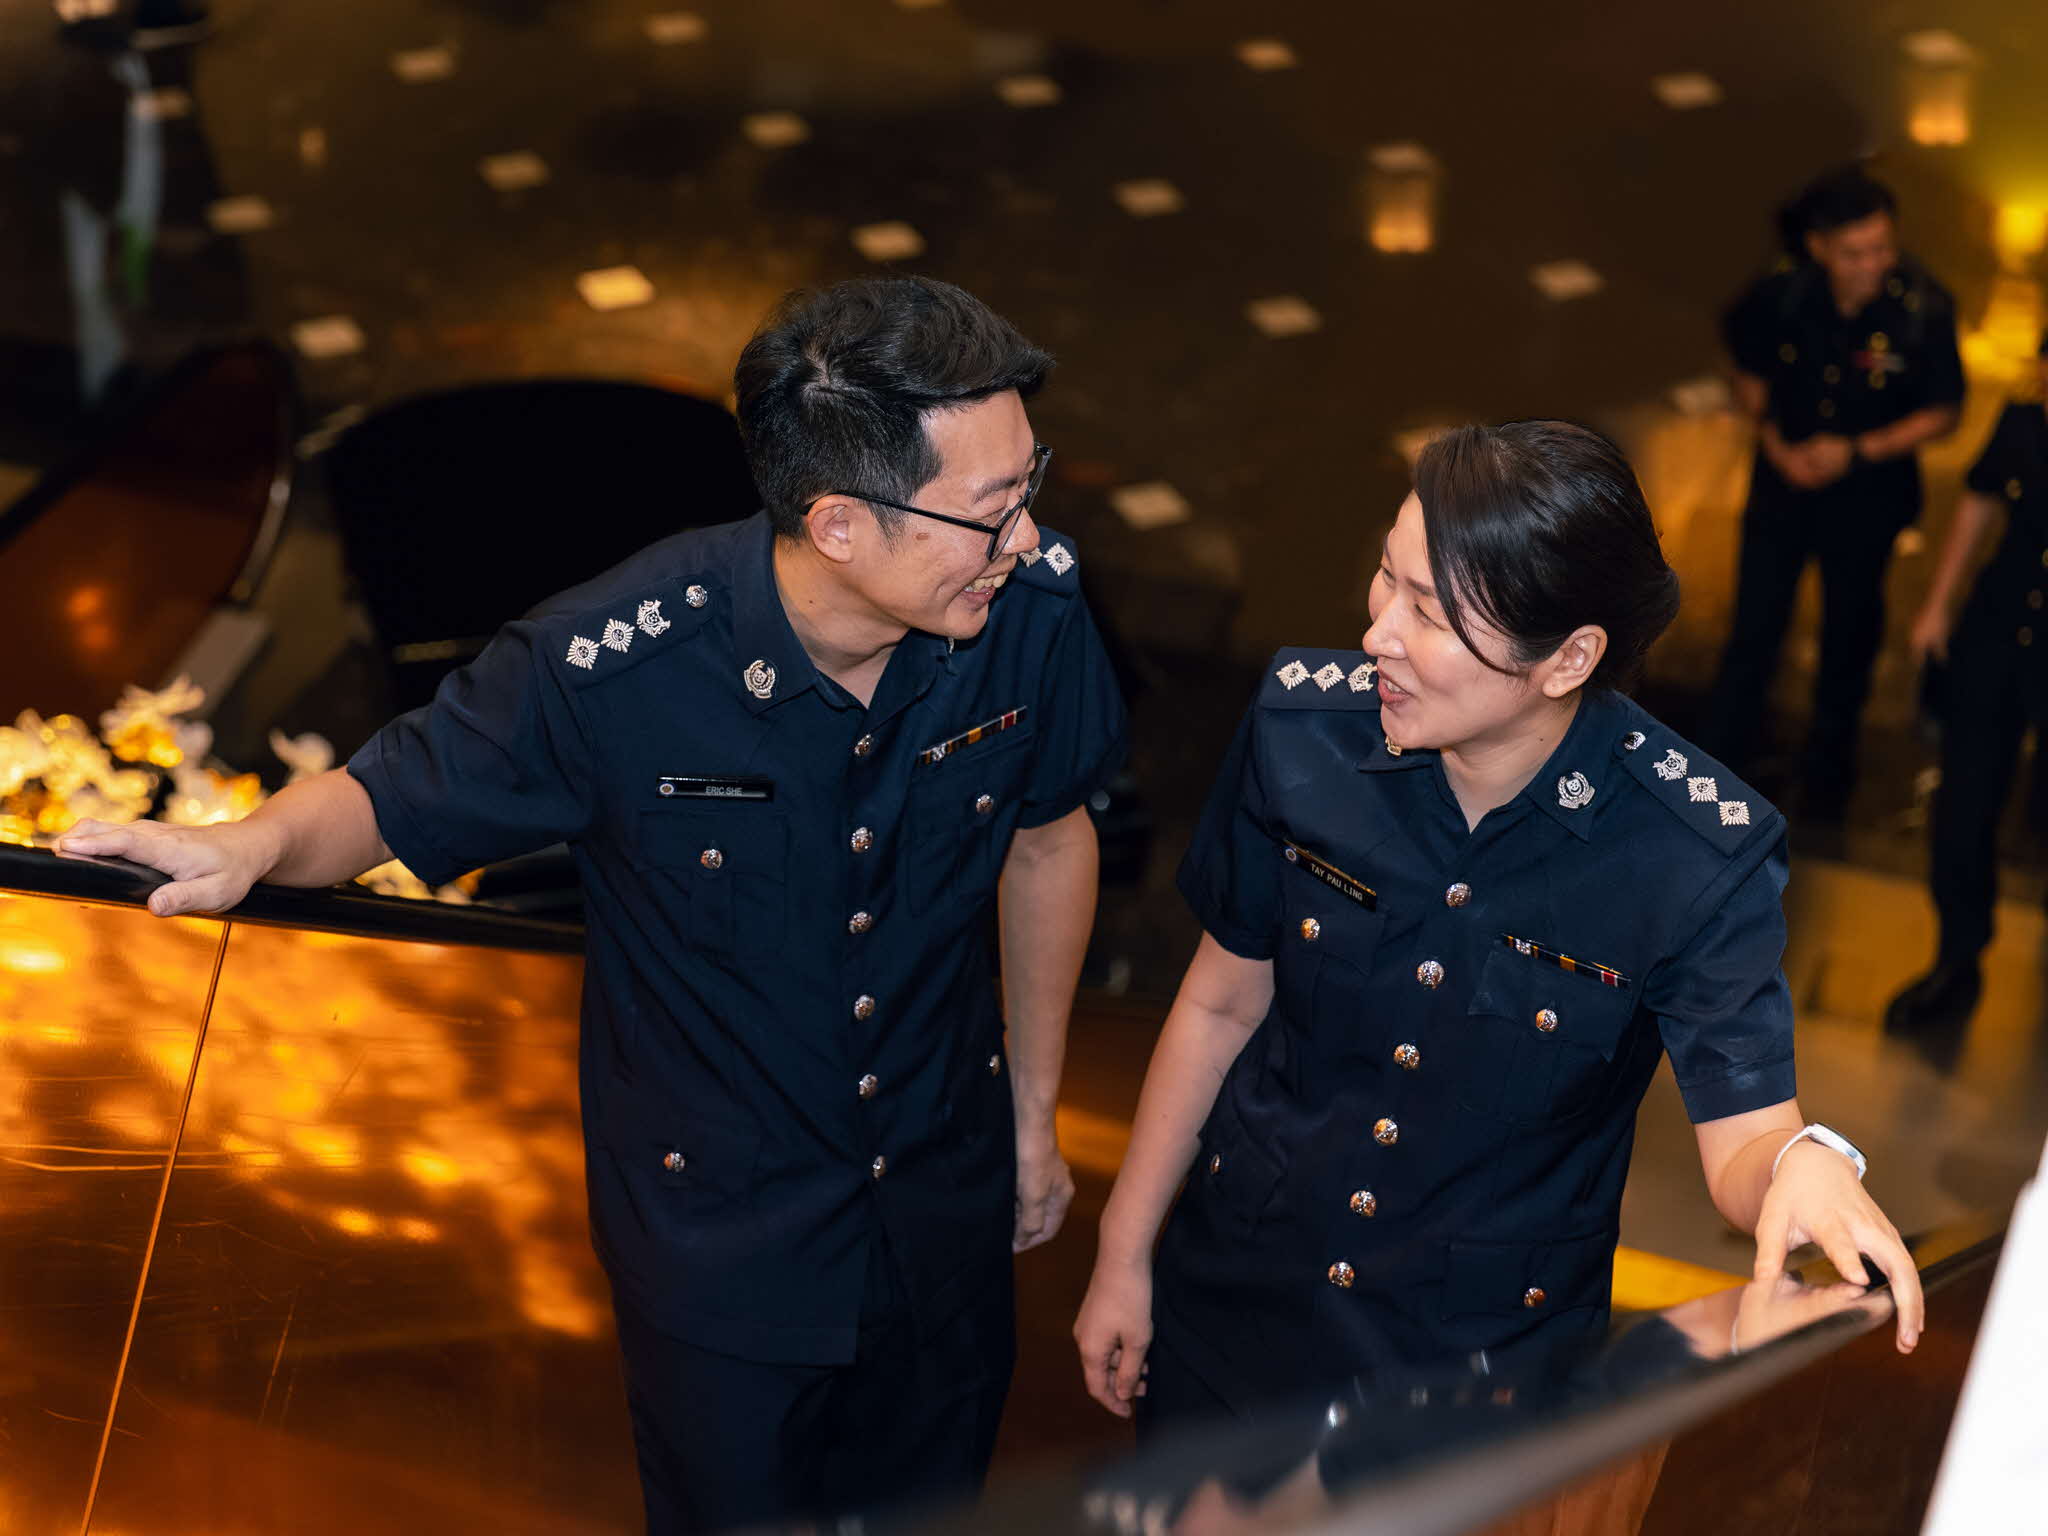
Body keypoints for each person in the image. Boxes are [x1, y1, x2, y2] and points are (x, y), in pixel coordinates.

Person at [57, 276, 1128, 1534]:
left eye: (1027, 487)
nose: (1025, 537)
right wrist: (249, 843)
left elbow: (1049, 840)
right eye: (987, 511)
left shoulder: (1025, 615)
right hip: (723, 1246)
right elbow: (397, 790)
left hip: (938, 1204)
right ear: (838, 521)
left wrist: (1035, 1115)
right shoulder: (616, 663)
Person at [1073, 420, 1921, 1436]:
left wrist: (1799, 1163)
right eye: (1386, 579)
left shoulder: (1690, 853)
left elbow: (1745, 1136)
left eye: (1429, 612)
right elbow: (1216, 1004)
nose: (1378, 631)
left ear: (1566, 658)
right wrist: (1122, 1254)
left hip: (1475, 1383)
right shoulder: (1303, 731)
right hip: (1235, 1310)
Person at [1702, 166, 1963, 815]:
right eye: (1856, 252)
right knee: (1755, 627)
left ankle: (1828, 783)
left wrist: (1856, 451)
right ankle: (1715, 775)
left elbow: (1945, 408)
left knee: (1851, 632)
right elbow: (1745, 363)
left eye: (1882, 247)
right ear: (1819, 246)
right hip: (1782, 485)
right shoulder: (1781, 294)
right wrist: (1774, 442)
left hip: (1869, 494)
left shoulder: (1921, 304)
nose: (1874, 263)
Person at [1887, 337, 2048, 1034]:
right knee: (1963, 802)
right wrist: (1939, 603)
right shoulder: (2022, 421)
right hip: (1999, 622)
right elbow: (1980, 503)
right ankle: (1957, 958)